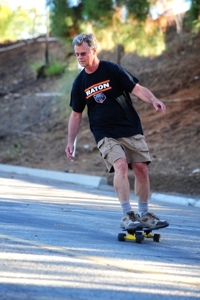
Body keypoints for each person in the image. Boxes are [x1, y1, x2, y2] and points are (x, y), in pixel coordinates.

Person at [65, 33, 169, 231]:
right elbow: (76, 115)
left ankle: (145, 214)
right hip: (104, 132)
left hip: (129, 127)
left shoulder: (112, 69)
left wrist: (153, 99)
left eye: (83, 53)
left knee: (141, 169)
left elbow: (137, 89)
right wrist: (71, 141)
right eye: (77, 54)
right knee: (120, 165)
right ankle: (127, 215)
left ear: (94, 51)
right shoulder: (79, 83)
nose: (79, 58)